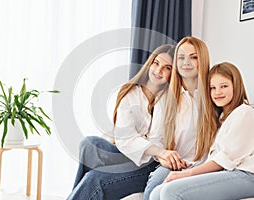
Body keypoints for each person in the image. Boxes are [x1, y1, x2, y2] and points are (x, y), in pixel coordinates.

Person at [67, 44, 185, 200]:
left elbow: (161, 140)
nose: (159, 70)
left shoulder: (171, 99)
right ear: (149, 63)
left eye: (167, 68)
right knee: (89, 145)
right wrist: (158, 150)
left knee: (94, 178)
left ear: (173, 73)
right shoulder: (130, 93)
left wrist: (159, 152)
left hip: (152, 163)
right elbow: (126, 138)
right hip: (130, 154)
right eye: (156, 63)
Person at [149, 62, 254, 200]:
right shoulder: (221, 118)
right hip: (227, 174)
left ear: (236, 86)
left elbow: (224, 160)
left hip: (248, 177)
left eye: (224, 86)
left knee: (170, 191)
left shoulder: (244, 113)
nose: (217, 92)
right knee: (156, 193)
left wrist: (186, 174)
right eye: (212, 88)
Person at [143, 36, 210, 200]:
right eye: (181, 57)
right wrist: (163, 155)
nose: (186, 62)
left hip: (204, 166)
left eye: (193, 57)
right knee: (159, 179)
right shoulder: (165, 97)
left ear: (203, 59)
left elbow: (236, 114)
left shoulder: (214, 94)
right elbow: (156, 138)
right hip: (174, 165)